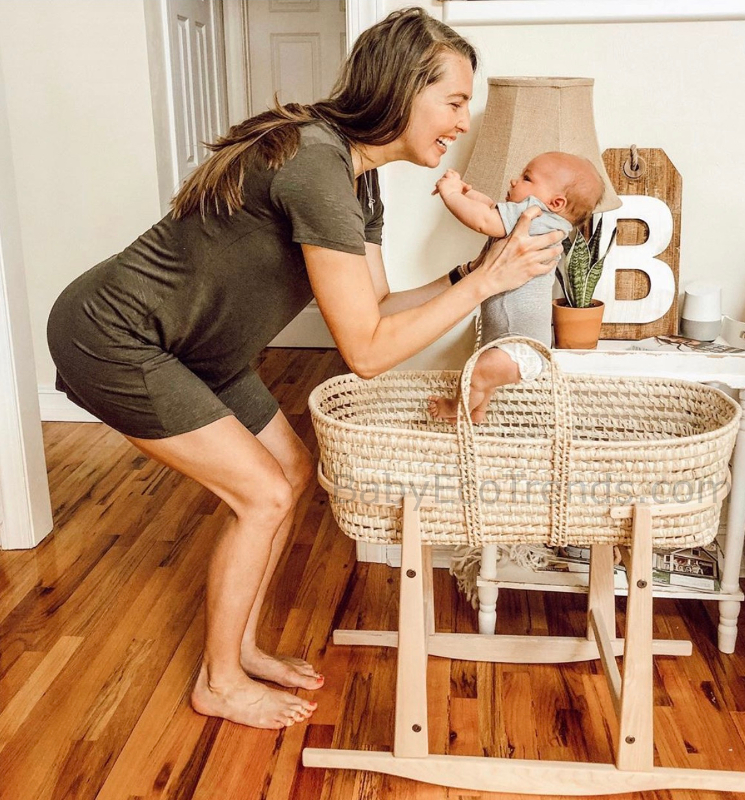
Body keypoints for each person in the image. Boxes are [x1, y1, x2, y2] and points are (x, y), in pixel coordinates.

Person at [46, 7, 564, 730]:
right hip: (119, 336)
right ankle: (218, 683)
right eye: (453, 100)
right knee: (261, 493)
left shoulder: (360, 179)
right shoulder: (315, 163)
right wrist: (485, 285)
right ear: (403, 88)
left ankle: (239, 649)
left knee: (288, 474)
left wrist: (473, 272)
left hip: (200, 349)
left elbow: (376, 305)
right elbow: (367, 353)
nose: (462, 121)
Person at [428, 152, 604, 422]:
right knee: (481, 376)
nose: (513, 180)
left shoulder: (536, 215)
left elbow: (483, 220)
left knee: (476, 374)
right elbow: (490, 208)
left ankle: (456, 409)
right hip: (515, 344)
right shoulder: (541, 220)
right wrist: (469, 193)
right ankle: (477, 412)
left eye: (526, 178)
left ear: (555, 202)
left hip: (520, 347)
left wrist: (451, 194)